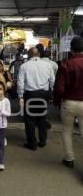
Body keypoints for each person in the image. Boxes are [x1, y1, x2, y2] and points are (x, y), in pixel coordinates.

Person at [53, 36, 83, 168]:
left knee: (67, 131)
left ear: (71, 49)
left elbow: (59, 88)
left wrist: (57, 101)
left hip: (69, 103)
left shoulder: (65, 64)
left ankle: (69, 158)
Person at [17, 47, 55, 151]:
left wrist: (20, 96)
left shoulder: (24, 66)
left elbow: (20, 83)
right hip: (44, 94)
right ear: (38, 54)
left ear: (29, 55)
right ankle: (42, 141)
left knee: (29, 119)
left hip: (30, 94)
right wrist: (51, 93)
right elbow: (52, 80)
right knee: (42, 118)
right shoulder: (48, 65)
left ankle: (32, 144)